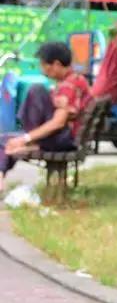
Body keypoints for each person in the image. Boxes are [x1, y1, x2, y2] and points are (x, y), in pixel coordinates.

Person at [1, 42, 93, 191]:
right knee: (5, 141)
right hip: (67, 138)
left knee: (36, 90)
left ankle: (27, 144)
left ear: (56, 64)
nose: (43, 71)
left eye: (44, 66)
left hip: (63, 140)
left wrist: (26, 138)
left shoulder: (68, 86)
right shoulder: (74, 80)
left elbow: (58, 123)